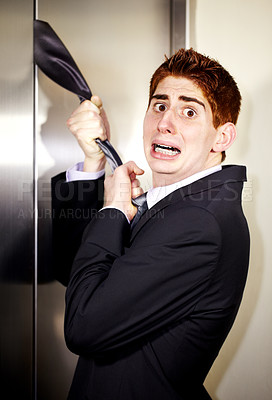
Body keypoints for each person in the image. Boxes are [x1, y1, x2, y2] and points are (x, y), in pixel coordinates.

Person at [51, 48, 250, 400]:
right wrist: (93, 162)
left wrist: (113, 209)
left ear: (222, 137)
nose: (165, 123)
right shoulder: (178, 204)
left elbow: (82, 325)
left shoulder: (198, 223)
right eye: (160, 105)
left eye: (189, 111)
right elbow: (76, 271)